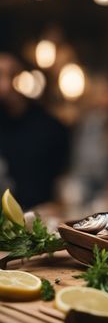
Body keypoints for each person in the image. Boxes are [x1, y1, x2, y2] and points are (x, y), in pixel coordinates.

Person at [0, 52, 70, 209]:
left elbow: (62, 180)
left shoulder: (50, 127)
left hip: (40, 216)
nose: (5, 85)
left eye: (11, 75)